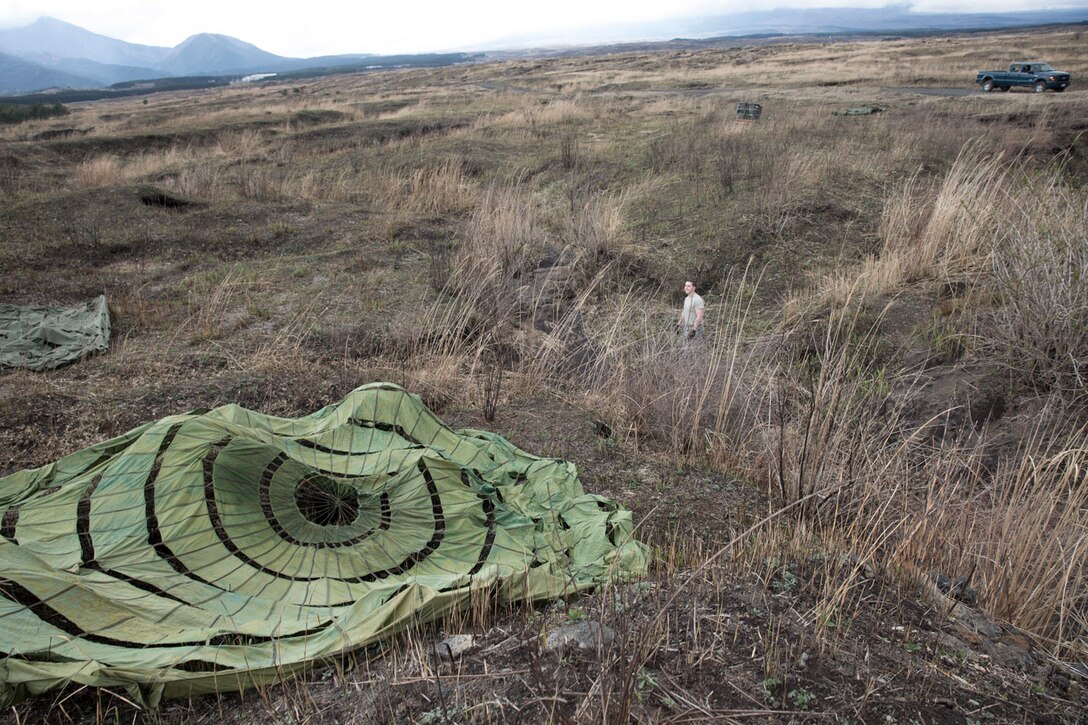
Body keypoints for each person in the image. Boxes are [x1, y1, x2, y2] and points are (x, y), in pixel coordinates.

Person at [676, 280, 704, 344]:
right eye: (685, 286)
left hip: (696, 328)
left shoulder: (697, 299)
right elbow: (684, 312)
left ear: (694, 288)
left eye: (689, 286)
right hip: (687, 327)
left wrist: (694, 330)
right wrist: (678, 324)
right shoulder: (686, 299)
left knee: (695, 350)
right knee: (685, 348)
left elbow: (699, 316)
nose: (686, 288)